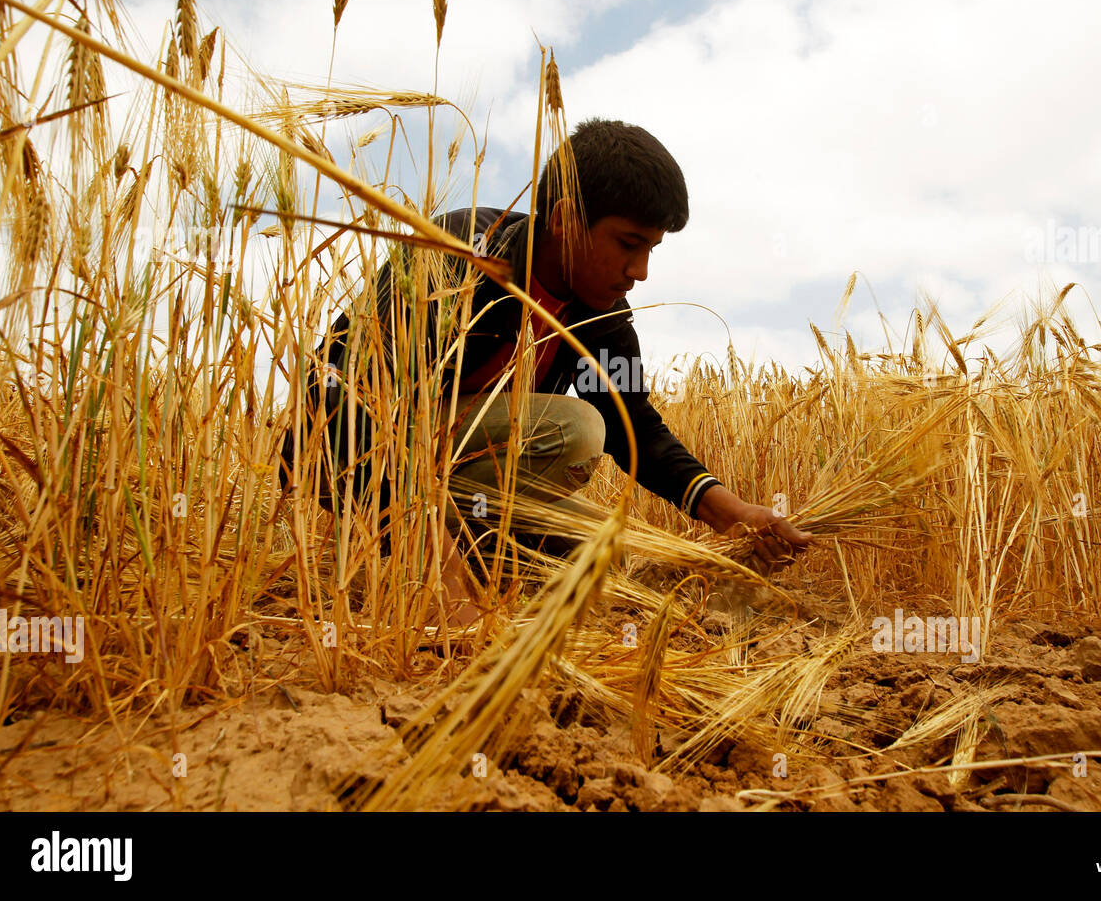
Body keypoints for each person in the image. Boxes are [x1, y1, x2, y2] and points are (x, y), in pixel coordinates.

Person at [279, 118, 811, 622]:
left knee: (603, 554)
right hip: (345, 453)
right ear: (564, 220)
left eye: (652, 249)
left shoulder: (603, 310)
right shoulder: (460, 254)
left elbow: (635, 428)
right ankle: (411, 547)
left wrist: (731, 512)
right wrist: (436, 573)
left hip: (456, 475)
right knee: (579, 430)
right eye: (629, 244)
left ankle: (462, 551)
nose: (641, 273)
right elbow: (349, 399)